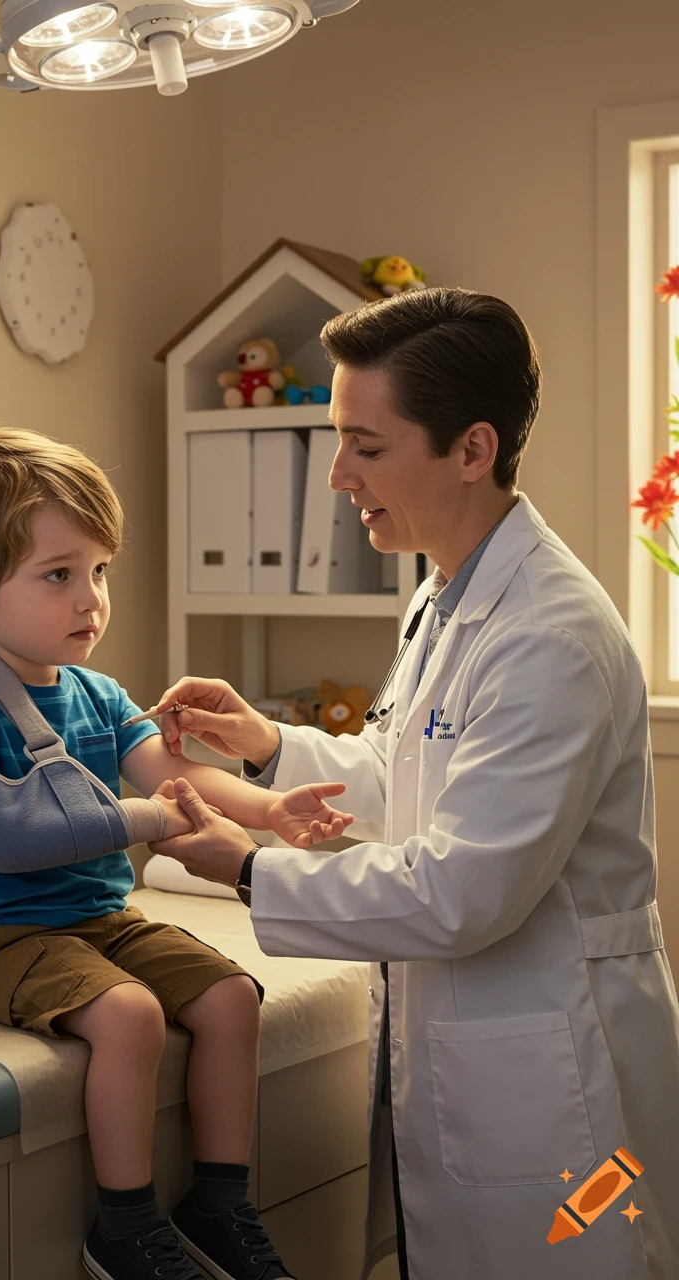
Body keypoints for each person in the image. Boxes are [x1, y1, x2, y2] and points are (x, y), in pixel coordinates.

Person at [150, 289, 679, 1280]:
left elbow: (457, 890)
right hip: (474, 1056)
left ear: (470, 449)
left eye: (366, 445)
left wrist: (249, 869)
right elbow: (417, 771)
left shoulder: (548, 635)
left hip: (561, 1085)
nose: (337, 476)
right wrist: (268, 744)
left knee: (577, 1252)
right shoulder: (446, 591)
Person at [0, 428, 354, 1280]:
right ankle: (126, 1227)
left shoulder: (100, 694)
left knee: (228, 997)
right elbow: (4, 840)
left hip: (98, 921)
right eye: (58, 575)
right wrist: (148, 822)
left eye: (100, 571)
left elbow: (175, 776)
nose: (91, 599)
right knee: (131, 1015)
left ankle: (220, 1204)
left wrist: (271, 807)